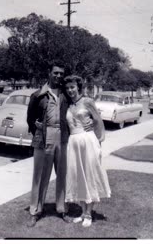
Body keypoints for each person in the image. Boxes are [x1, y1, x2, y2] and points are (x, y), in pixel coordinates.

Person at [25, 64, 73, 227]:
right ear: (49, 73)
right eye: (55, 73)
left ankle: (62, 209)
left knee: (62, 174)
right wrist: (38, 129)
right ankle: (35, 211)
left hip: (62, 137)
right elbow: (30, 119)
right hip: (43, 138)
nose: (58, 76)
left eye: (61, 73)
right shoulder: (38, 95)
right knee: (40, 176)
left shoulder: (66, 94)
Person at [63, 75, 111, 227]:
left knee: (89, 175)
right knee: (78, 177)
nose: (70, 90)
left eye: (72, 87)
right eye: (68, 88)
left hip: (88, 141)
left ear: (78, 87)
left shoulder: (87, 101)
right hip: (74, 142)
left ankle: (89, 214)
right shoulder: (69, 105)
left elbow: (98, 119)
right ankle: (82, 212)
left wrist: (97, 137)